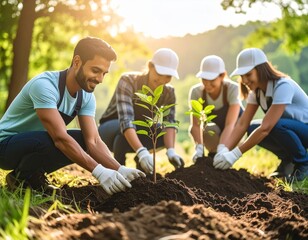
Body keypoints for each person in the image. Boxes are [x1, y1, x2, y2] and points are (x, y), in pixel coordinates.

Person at [0, 36, 145, 195]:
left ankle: (24, 177)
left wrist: (119, 168)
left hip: (33, 142)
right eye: (95, 70)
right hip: (6, 146)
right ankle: (26, 177)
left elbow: (94, 142)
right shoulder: (45, 85)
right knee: (60, 140)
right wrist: (99, 171)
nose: (100, 79)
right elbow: (60, 138)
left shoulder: (86, 96)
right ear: (77, 62)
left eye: (104, 73)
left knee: (82, 139)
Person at [213, 48, 308, 181]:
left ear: (261, 69)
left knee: (273, 125)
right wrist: (224, 149)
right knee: (251, 127)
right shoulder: (256, 92)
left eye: (248, 74)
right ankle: (287, 161)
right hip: (291, 131)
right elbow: (242, 123)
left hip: (305, 129)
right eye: (242, 76)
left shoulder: (283, 86)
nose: (244, 80)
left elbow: (266, 128)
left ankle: (303, 163)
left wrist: (235, 154)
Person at [98, 48, 184, 174]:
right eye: (159, 74)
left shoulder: (169, 92)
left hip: (138, 130)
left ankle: (141, 167)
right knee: (126, 129)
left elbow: (169, 123)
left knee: (160, 131)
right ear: (150, 66)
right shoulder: (128, 81)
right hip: (109, 129)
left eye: (168, 76)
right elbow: (126, 120)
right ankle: (118, 168)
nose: (162, 80)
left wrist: (171, 151)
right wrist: (142, 151)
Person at [188, 55, 243, 162]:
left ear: (222, 76)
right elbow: (195, 125)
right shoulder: (196, 92)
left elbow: (230, 124)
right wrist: (199, 148)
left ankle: (223, 152)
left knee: (224, 150)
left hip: (234, 130)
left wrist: (222, 148)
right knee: (208, 128)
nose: (207, 84)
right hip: (214, 131)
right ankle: (213, 154)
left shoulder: (233, 89)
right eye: (204, 79)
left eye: (212, 80)